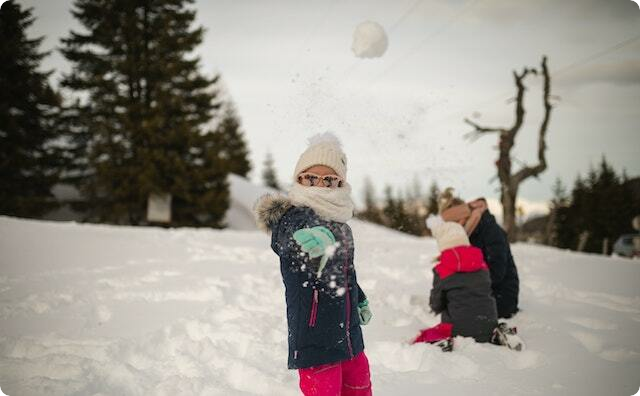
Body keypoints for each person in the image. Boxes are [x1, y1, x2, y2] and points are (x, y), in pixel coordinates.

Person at [254, 133, 372, 396]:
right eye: (311, 178)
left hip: (350, 335)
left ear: (340, 184)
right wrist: (310, 239)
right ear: (299, 179)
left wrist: (359, 297)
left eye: (329, 179)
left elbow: (345, 273)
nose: (319, 184)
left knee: (359, 389)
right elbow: (287, 239)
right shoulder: (292, 217)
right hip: (314, 337)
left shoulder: (342, 226)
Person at [412, 218, 498, 349]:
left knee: (422, 338)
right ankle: (497, 334)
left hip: (458, 329)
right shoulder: (482, 265)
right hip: (488, 323)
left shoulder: (442, 269)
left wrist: (438, 306)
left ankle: (441, 342)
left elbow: (436, 303)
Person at [438, 188, 520, 319]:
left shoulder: (491, 231)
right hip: (481, 294)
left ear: (462, 219)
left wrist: (464, 286)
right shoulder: (465, 234)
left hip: (500, 299)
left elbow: (496, 273)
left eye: (453, 225)